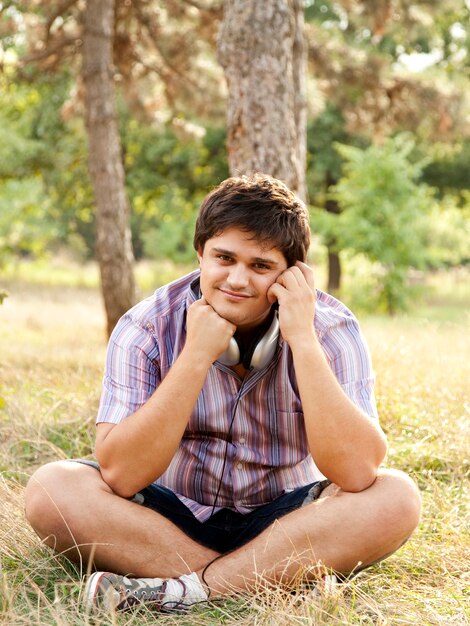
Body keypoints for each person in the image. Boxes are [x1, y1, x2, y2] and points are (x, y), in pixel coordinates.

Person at [25, 174, 421, 614]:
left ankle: (187, 590)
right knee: (52, 488)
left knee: (396, 498)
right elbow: (120, 474)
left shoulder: (331, 328)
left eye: (260, 265)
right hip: (167, 520)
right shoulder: (145, 327)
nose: (237, 279)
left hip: (288, 522)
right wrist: (195, 355)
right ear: (200, 253)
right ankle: (266, 580)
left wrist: (303, 341)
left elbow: (356, 470)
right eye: (224, 258)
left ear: (291, 274)